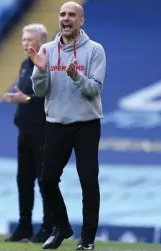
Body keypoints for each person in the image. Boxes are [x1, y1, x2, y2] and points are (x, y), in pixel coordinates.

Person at [27, 1, 107, 250]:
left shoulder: (95, 50)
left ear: (81, 21)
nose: (66, 19)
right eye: (62, 14)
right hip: (57, 124)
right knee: (47, 179)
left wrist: (76, 76)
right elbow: (39, 90)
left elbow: (94, 89)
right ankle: (61, 226)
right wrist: (40, 70)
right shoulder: (48, 50)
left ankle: (87, 240)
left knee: (88, 181)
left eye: (72, 15)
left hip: (86, 124)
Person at [3, 23, 53, 243]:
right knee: (23, 180)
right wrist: (18, 97)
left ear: (41, 41)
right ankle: (24, 225)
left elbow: (53, 95)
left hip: (43, 130)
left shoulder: (50, 63)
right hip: (24, 129)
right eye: (23, 39)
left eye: (29, 40)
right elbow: (25, 91)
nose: (24, 43)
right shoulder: (25, 64)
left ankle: (49, 227)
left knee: (45, 181)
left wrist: (28, 99)